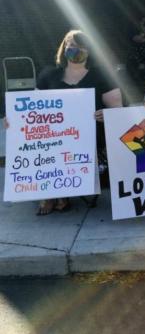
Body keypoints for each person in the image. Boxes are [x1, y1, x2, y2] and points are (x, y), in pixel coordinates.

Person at [4, 30, 123, 215]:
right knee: (45, 143)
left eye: (81, 46)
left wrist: (107, 115)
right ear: (64, 48)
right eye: (71, 45)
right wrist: (15, 121)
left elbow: (117, 108)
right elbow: (31, 109)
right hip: (57, 138)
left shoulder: (101, 75)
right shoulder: (49, 74)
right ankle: (52, 193)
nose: (75, 49)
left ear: (89, 50)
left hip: (92, 138)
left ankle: (58, 193)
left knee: (61, 145)